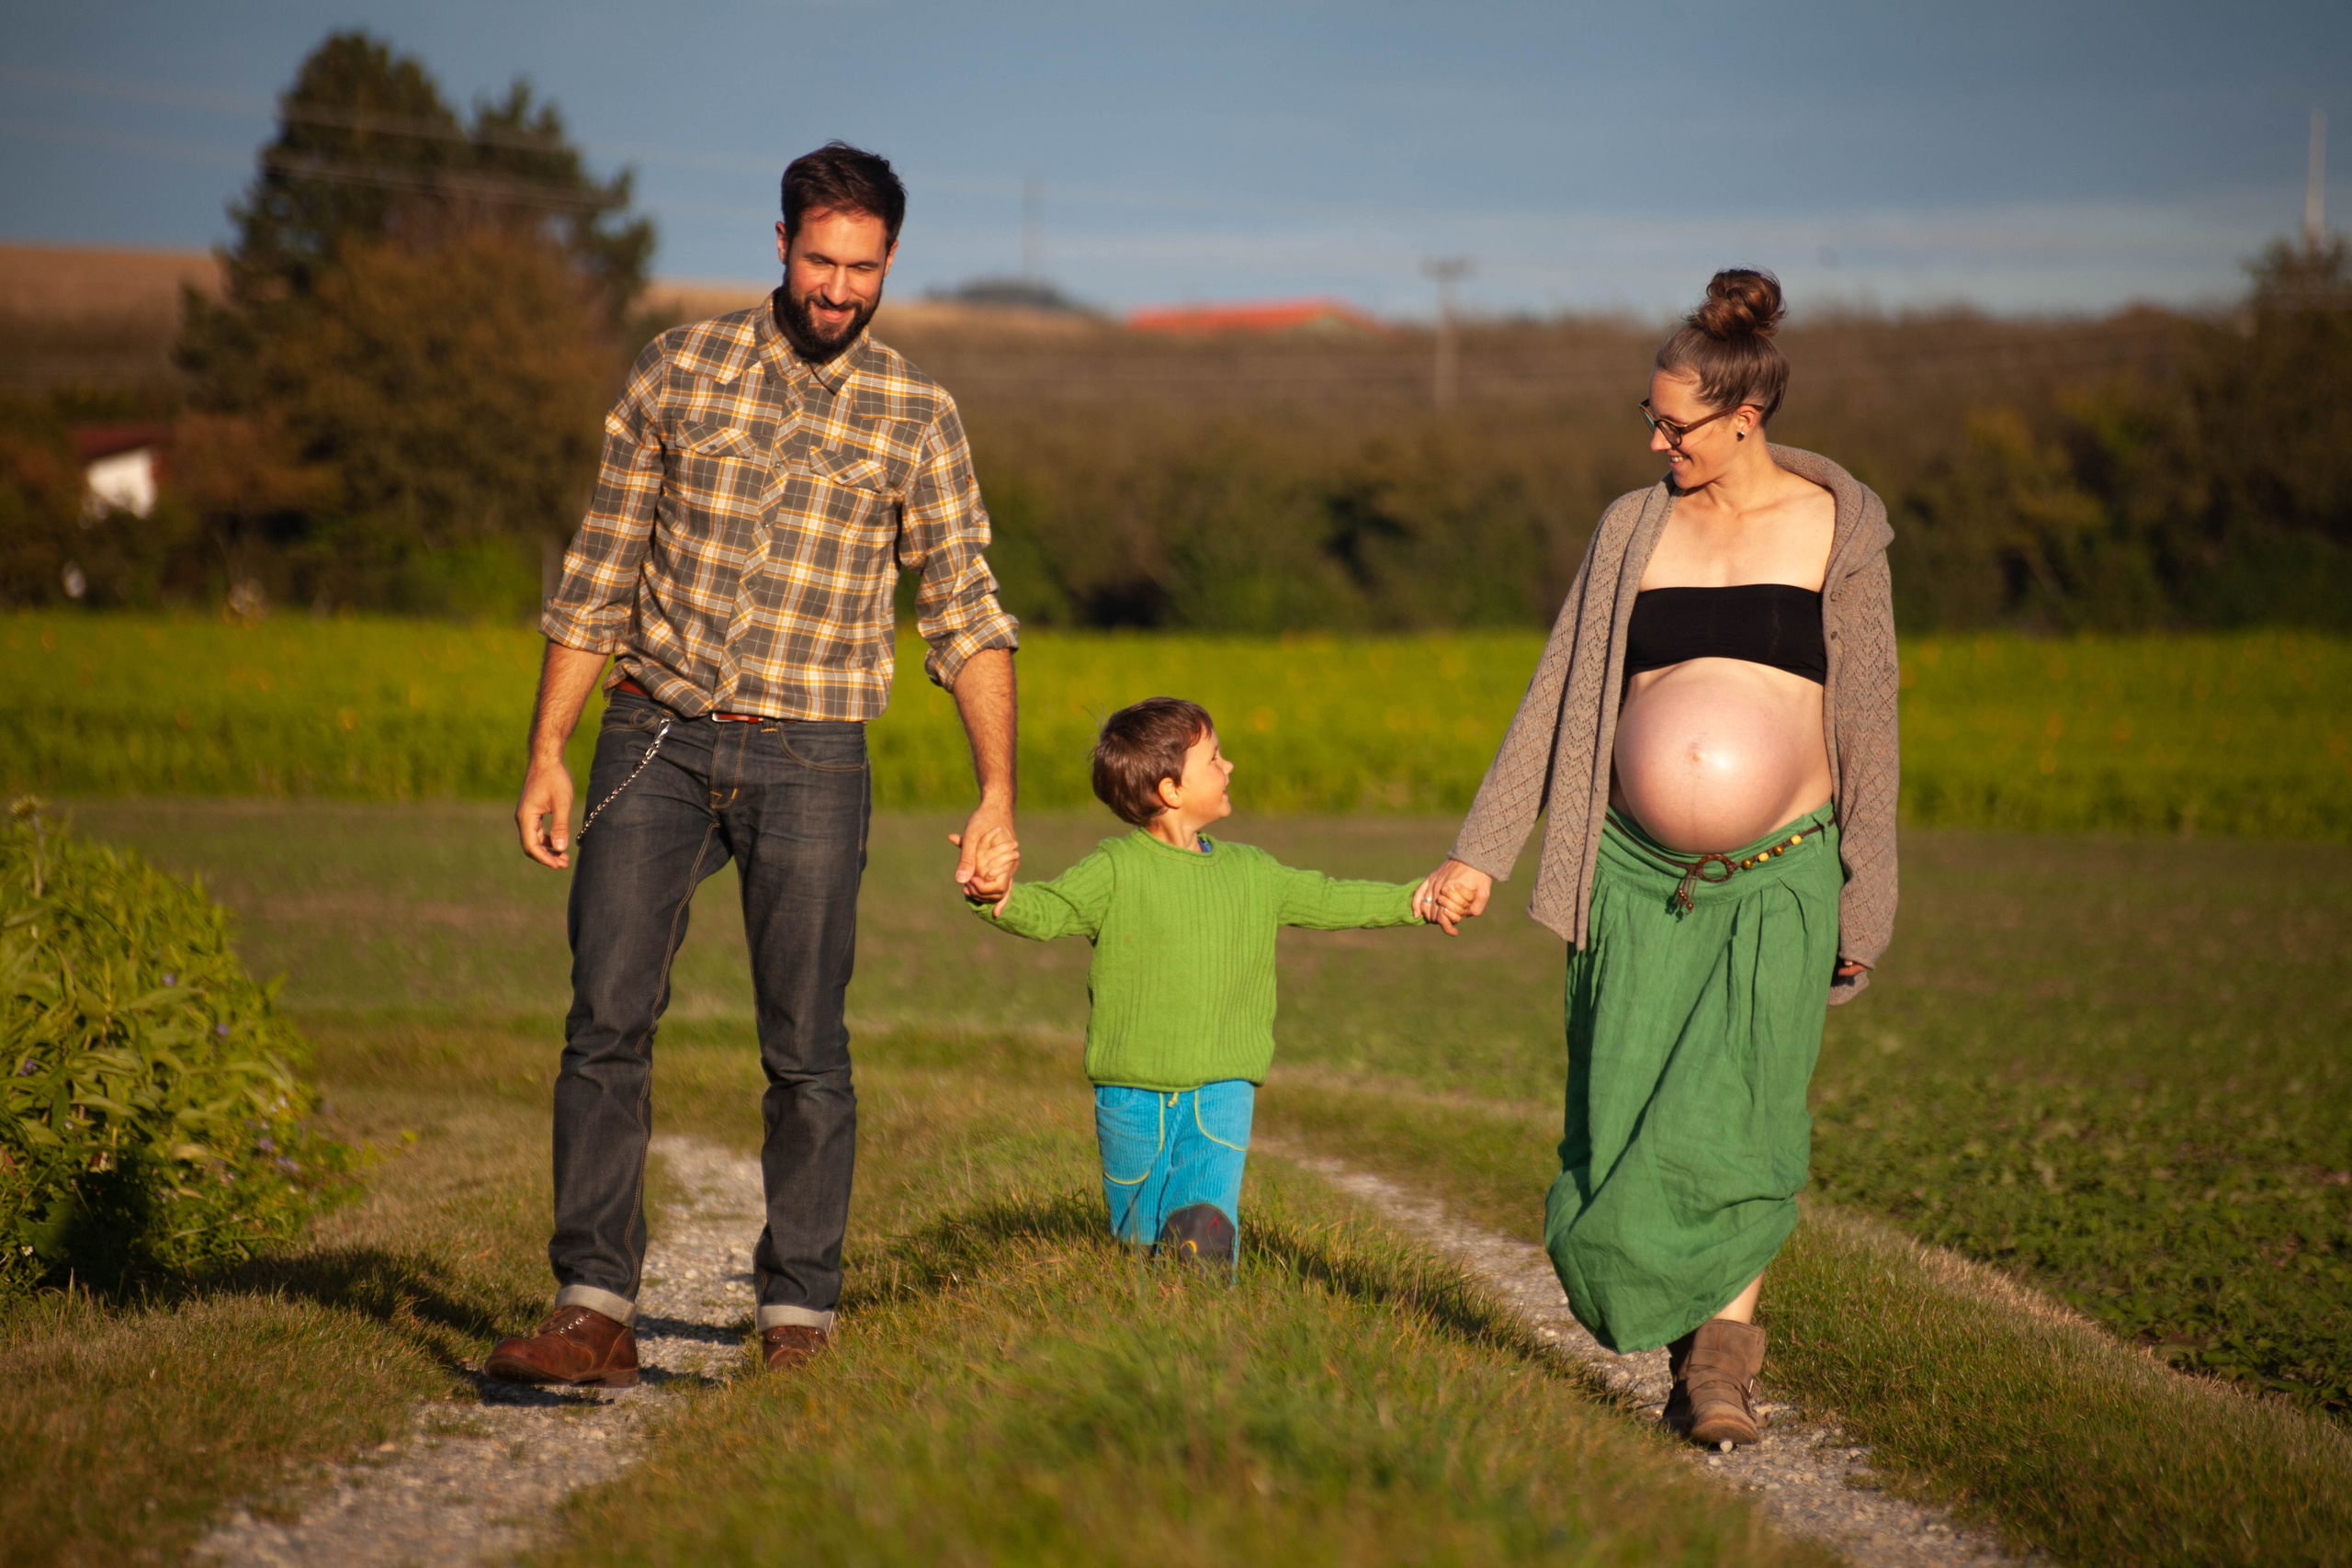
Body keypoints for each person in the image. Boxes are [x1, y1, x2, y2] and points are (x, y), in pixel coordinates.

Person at [492, 141, 1022, 1386]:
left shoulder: (918, 414)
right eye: (821, 261)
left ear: (891, 262)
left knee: (807, 1047)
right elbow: (599, 571)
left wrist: (997, 789)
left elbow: (965, 612)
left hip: (814, 751)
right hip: (654, 733)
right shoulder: (678, 370)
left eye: (864, 269)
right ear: (781, 245)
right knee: (606, 1019)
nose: (839, 290)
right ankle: (593, 1309)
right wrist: (548, 750)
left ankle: (798, 1320)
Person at [1414, 269, 1898, 1449]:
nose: (1656, 442)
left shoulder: (1836, 530)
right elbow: (1556, 694)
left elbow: (1869, 720)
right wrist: (1483, 851)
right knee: (1617, 1119)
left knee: (1745, 1116)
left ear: (1745, 417)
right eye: (1650, 418)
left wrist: (1867, 899)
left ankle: (1720, 1370)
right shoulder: (1632, 527)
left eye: (1674, 425)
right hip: (1629, 876)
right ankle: (1669, 1324)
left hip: (1779, 875)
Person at [958, 698, 1430, 1261]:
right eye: (1214, 758)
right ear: (1171, 789)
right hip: (1130, 1096)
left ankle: (1205, 1308)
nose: (1229, 766)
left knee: (1203, 1234)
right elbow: (1048, 910)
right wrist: (997, 895)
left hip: (1222, 1090)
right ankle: (1147, 1311)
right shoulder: (1115, 868)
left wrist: (1418, 900)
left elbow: (1332, 898)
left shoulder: (1254, 872)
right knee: (1139, 1245)